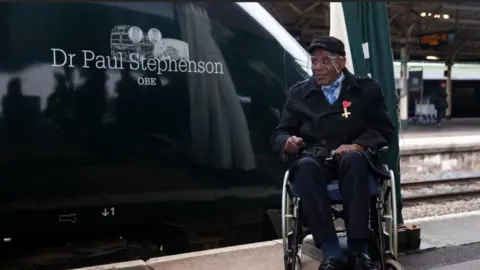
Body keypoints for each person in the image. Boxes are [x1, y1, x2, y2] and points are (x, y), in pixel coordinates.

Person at [271, 36, 394, 270]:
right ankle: (331, 252)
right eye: (314, 61)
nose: (317, 67)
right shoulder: (298, 94)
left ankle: (359, 249)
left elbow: (383, 128)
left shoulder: (366, 90)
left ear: (342, 62)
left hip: (354, 159)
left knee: (353, 159)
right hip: (316, 159)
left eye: (325, 61)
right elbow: (280, 132)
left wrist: (358, 145)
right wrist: (286, 140)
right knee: (305, 167)